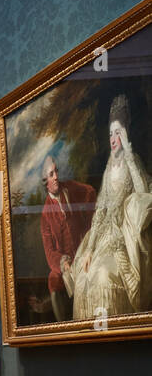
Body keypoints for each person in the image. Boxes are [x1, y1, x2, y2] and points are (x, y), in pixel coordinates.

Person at [67, 95, 152, 320]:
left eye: (117, 133)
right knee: (85, 276)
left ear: (125, 134)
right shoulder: (108, 168)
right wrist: (89, 249)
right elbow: (100, 213)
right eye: (111, 134)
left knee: (103, 275)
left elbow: (144, 194)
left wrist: (130, 153)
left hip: (123, 239)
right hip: (103, 236)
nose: (113, 139)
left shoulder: (133, 160)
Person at [38, 155, 96, 322]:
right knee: (53, 280)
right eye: (51, 174)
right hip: (67, 263)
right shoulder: (44, 215)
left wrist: (89, 226)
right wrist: (62, 262)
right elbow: (49, 252)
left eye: (56, 171)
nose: (56, 176)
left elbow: (90, 192)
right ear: (45, 181)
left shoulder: (70, 187)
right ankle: (64, 327)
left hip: (84, 249)